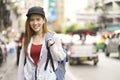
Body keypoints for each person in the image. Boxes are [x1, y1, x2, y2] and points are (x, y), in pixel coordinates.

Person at [17, 6, 66, 80]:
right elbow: (21, 64)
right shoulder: (26, 39)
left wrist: (52, 46)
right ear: (29, 22)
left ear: (44, 20)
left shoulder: (53, 37)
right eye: (32, 20)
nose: (35, 23)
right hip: (29, 77)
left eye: (38, 19)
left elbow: (61, 57)